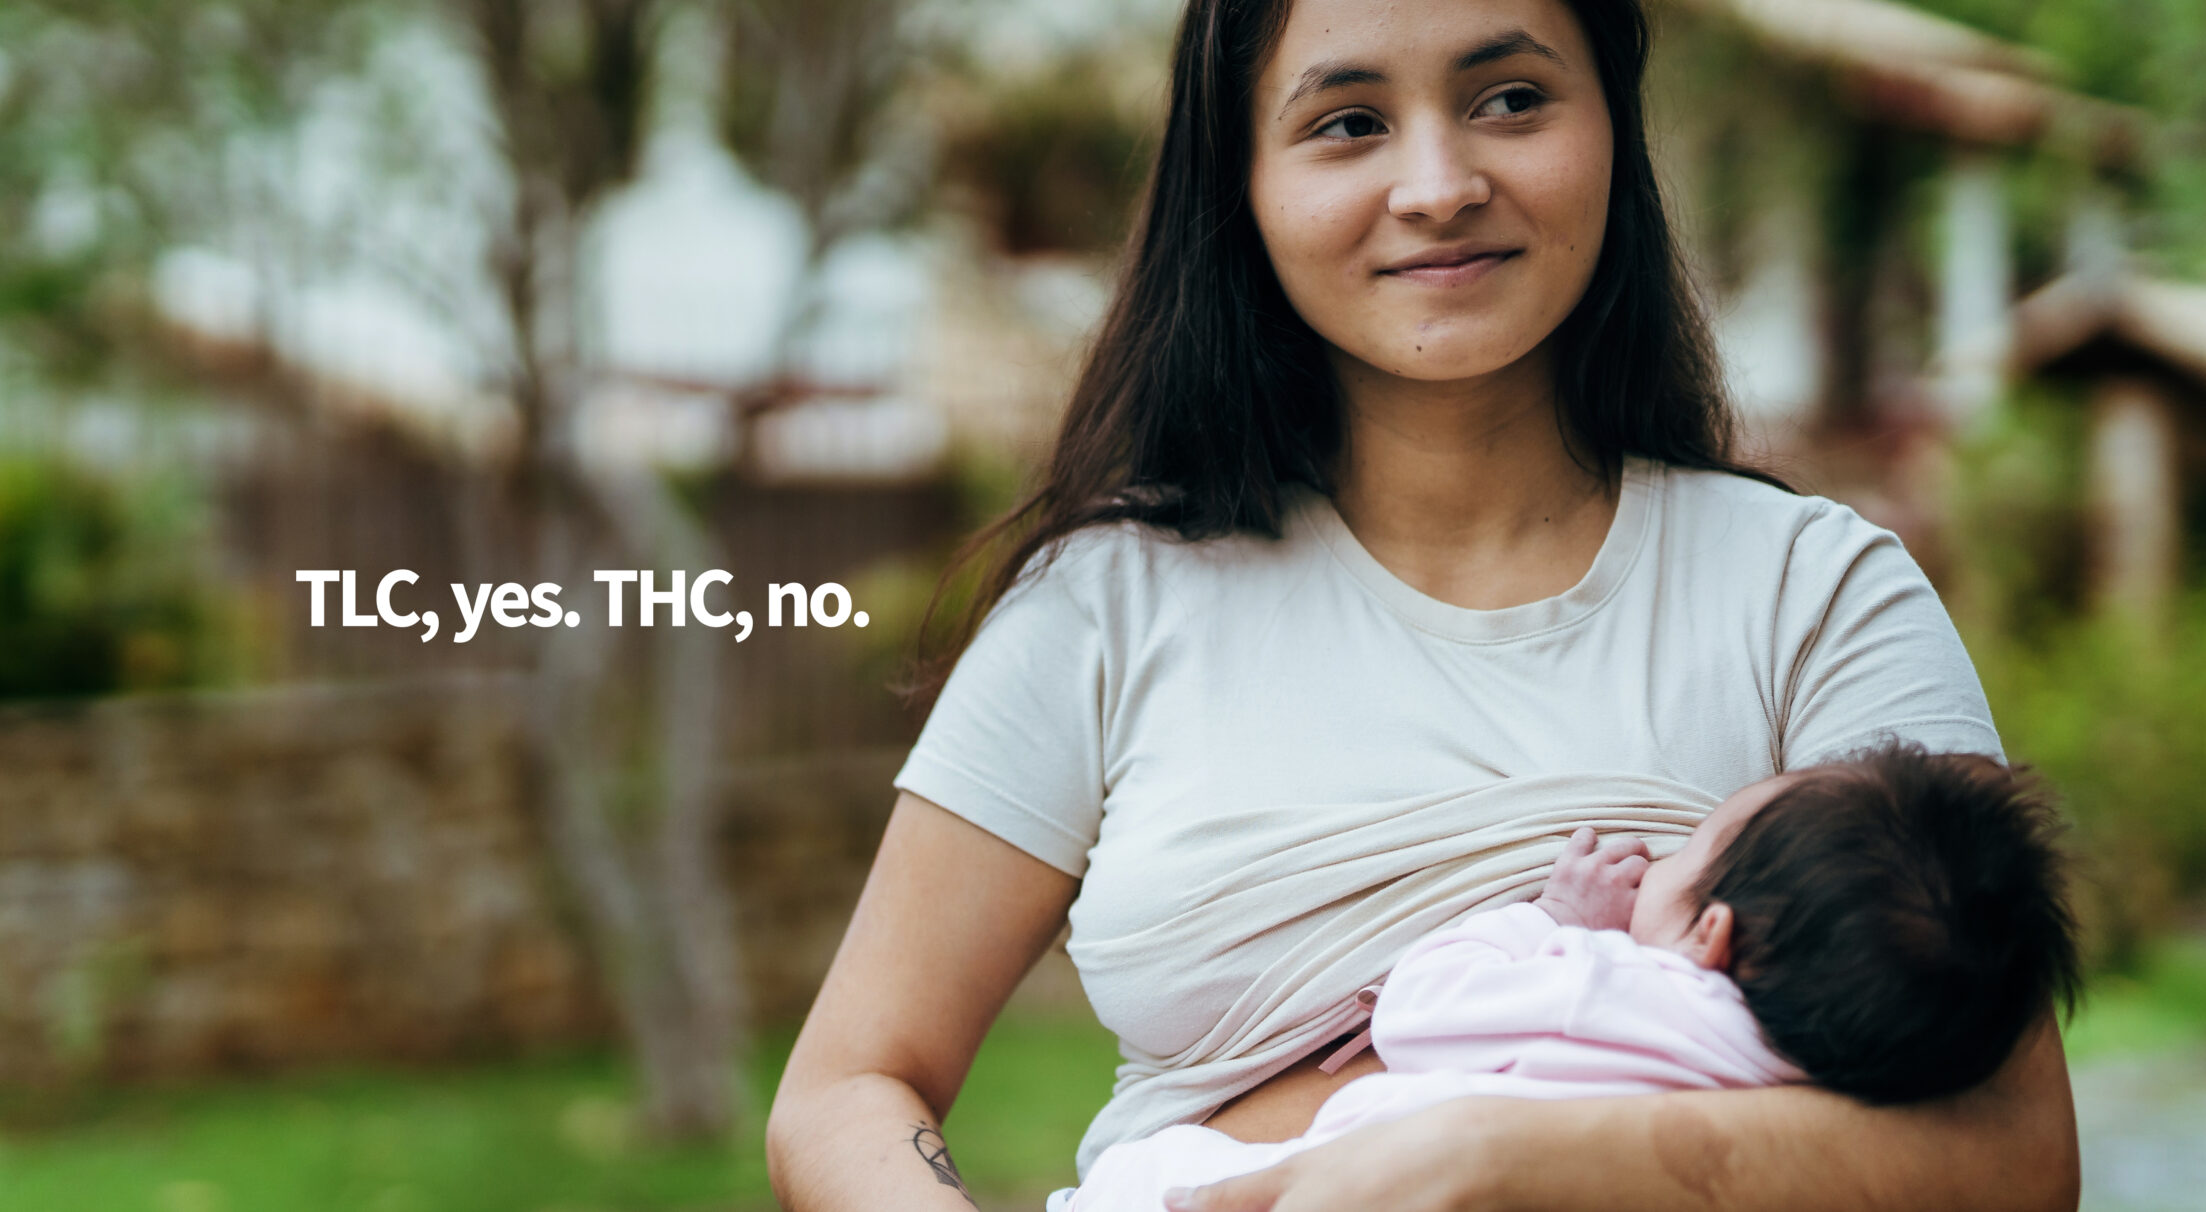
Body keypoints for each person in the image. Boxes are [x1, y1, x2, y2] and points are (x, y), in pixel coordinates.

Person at [764, 0, 2083, 1208]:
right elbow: (849, 1087)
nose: (1440, 188)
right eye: (1347, 124)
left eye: (1511, 99)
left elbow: (2013, 1157)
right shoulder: (1098, 614)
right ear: (1247, 184)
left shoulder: (1811, 595)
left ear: (1614, 127)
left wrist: (1505, 1160)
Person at [1061, 744, 2085, 1210]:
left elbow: (1423, 1014)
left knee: (1148, 1182)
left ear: (1707, 936)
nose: (1661, 857)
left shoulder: (1604, 988)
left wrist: (1554, 925)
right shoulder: (1809, 1082)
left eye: (1688, 849)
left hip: (1325, 1185)